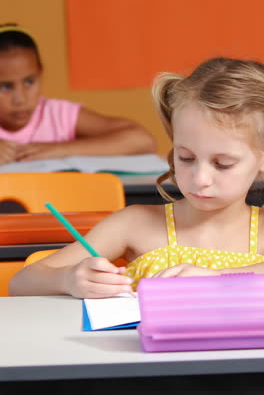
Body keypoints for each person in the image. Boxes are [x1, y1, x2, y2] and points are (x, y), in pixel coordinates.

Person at [9, 56, 264, 298]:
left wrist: (218, 278)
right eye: (186, 157)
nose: (201, 178)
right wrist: (68, 280)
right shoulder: (134, 224)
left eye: (223, 164)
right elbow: (21, 283)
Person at [0, 24, 156, 165]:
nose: (20, 99)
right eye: (5, 87)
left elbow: (142, 140)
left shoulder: (58, 115)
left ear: (40, 75)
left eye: (29, 82)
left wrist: (59, 150)